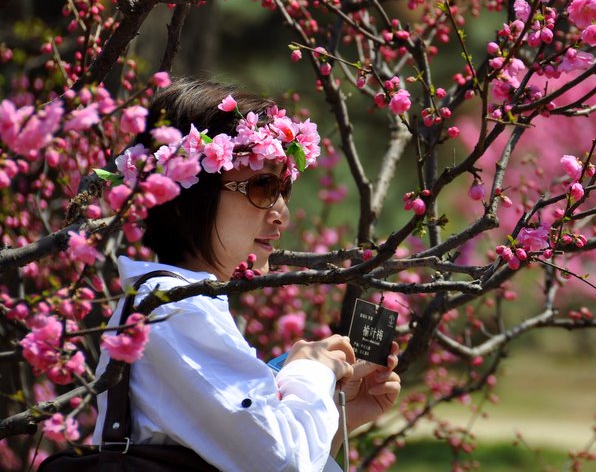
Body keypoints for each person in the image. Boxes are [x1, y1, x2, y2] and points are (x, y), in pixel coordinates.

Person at [92, 78, 401, 472]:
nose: (280, 212)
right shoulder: (174, 310)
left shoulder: (180, 304)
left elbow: (248, 452)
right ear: (187, 195)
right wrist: (311, 370)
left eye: (283, 188)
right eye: (262, 185)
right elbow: (281, 464)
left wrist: (339, 416)